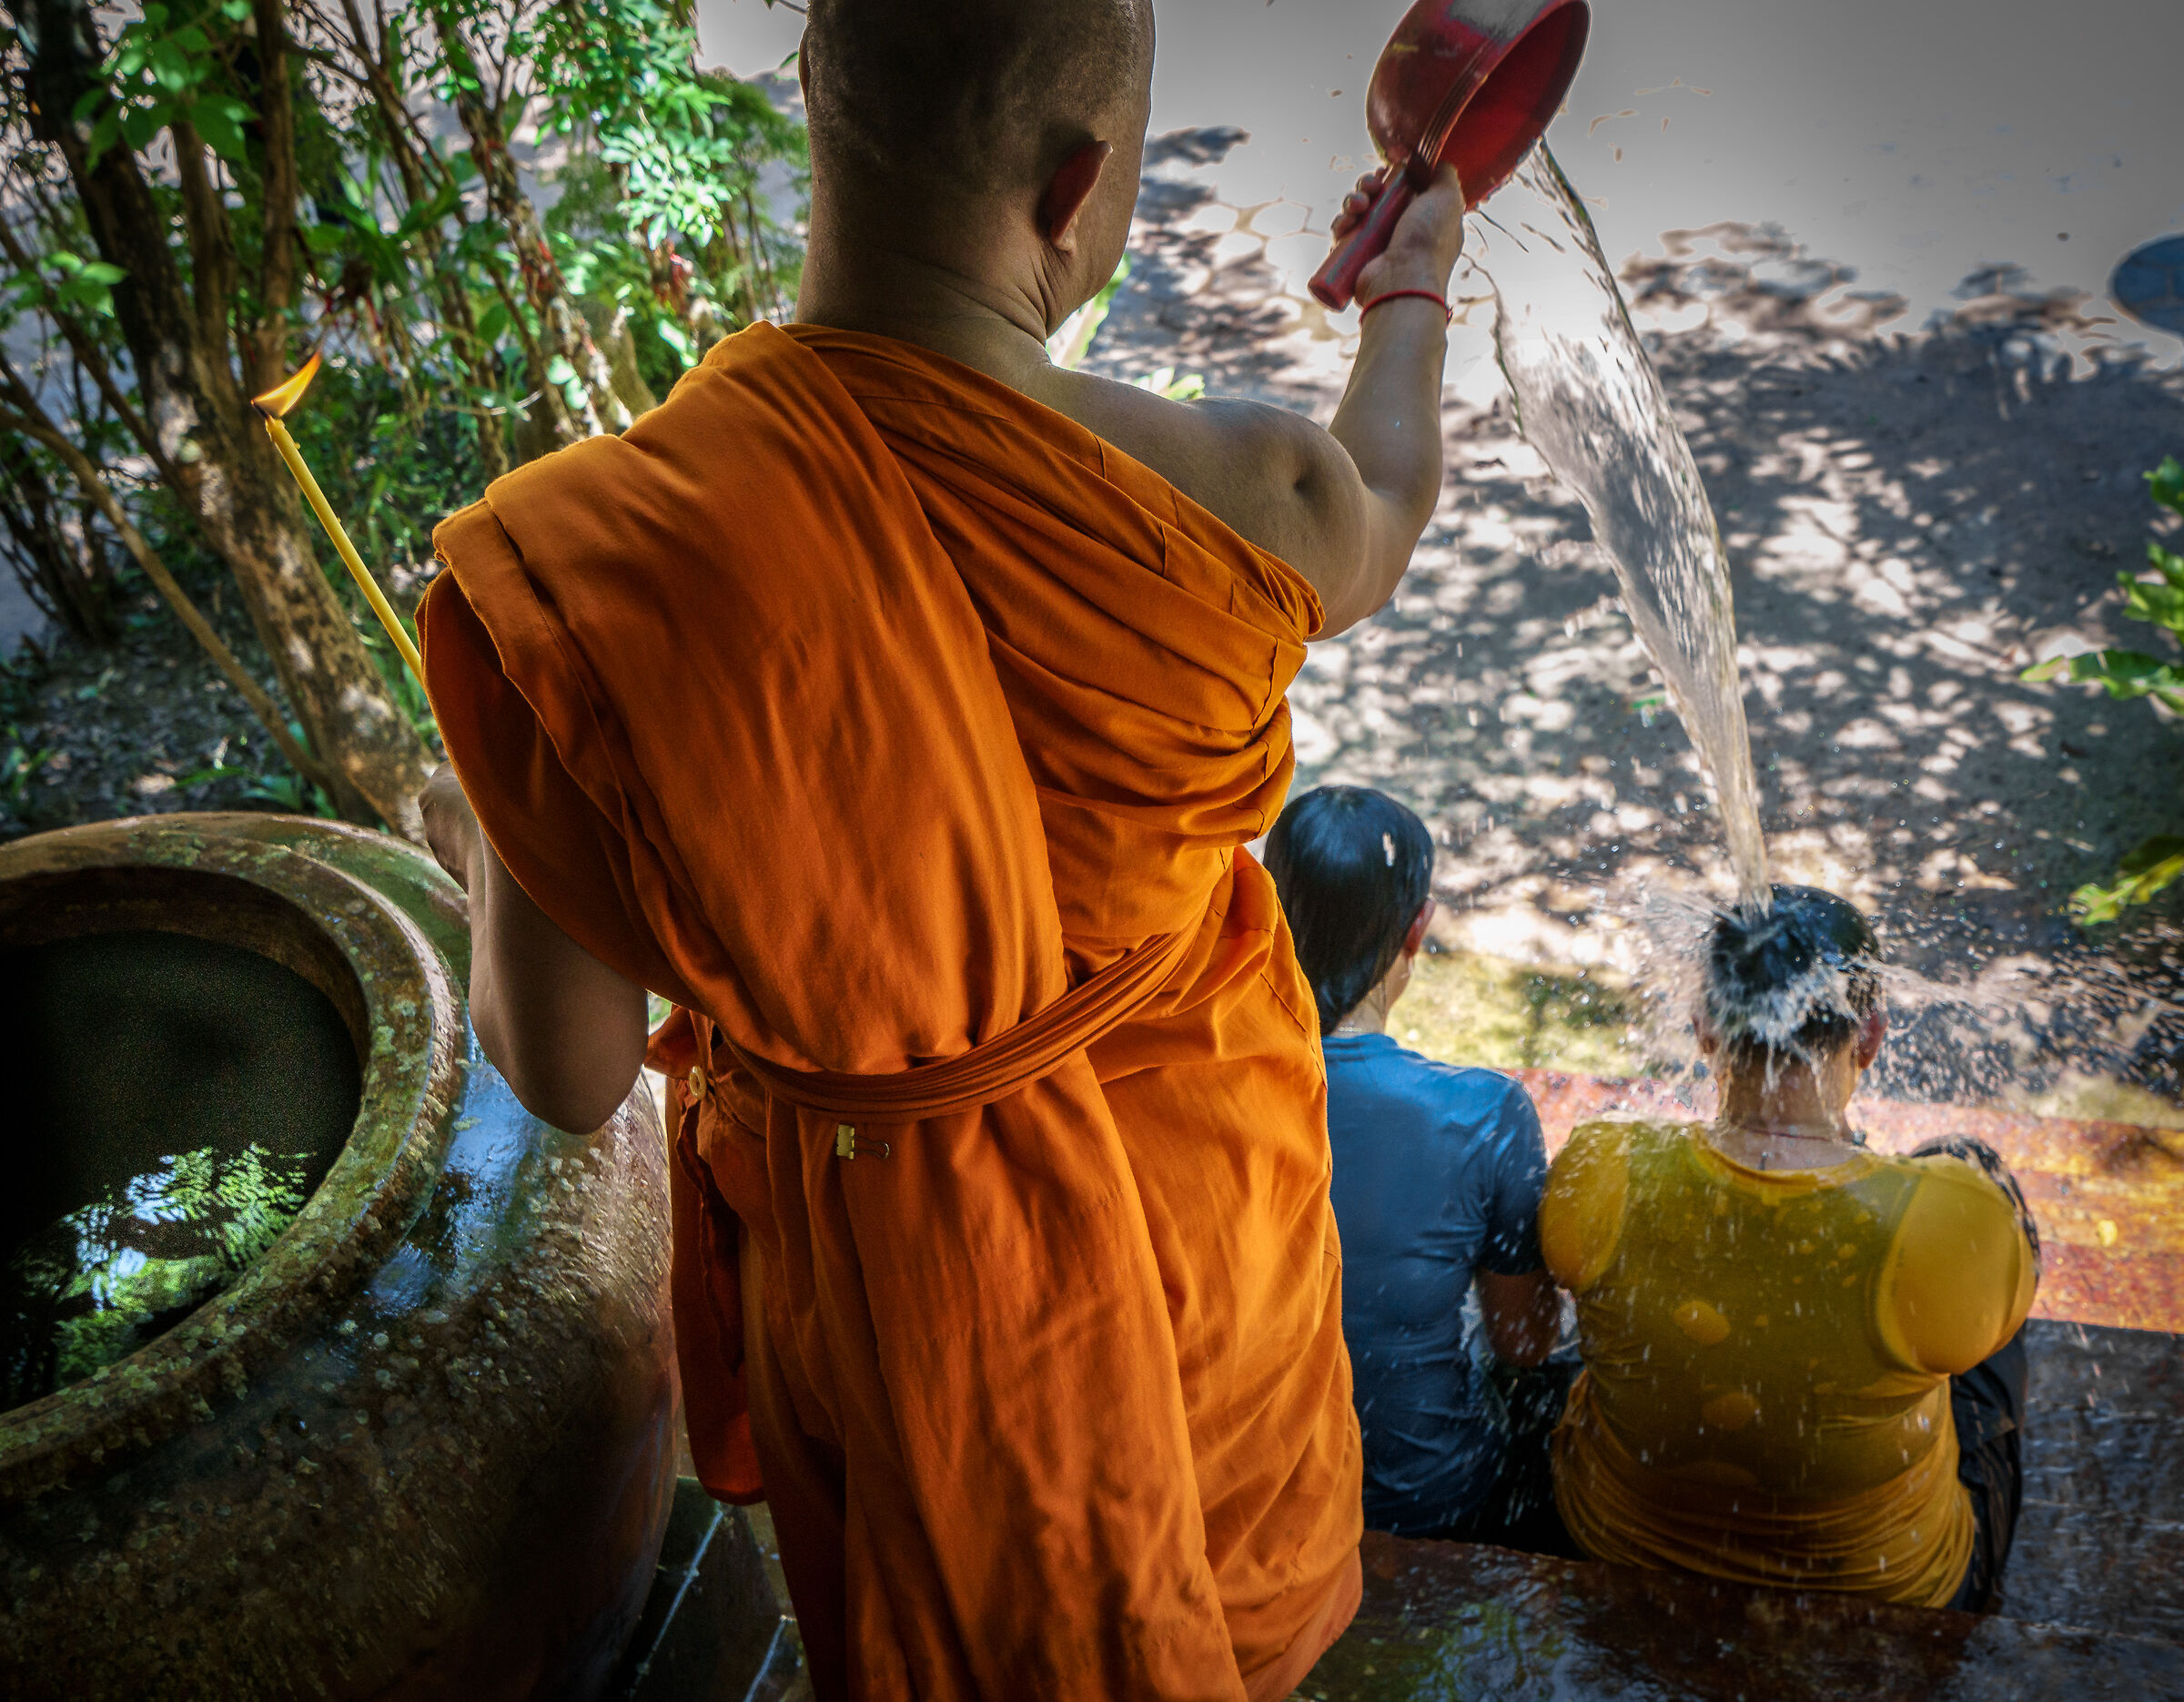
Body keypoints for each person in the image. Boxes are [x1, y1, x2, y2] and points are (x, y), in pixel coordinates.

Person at [412, 2, 1472, 1696]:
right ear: (1080, 189)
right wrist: (1411, 286)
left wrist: (491, 820)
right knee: (1226, 1606)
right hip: (1197, 1246)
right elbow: (1391, 493)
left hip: (890, 1309)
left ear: (814, 102)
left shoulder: (601, 579)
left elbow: (564, 1070)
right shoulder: (1248, 488)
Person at [1540, 886, 2039, 1612]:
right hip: (1887, 1589)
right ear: (1870, 1036)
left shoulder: (1602, 1165)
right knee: (1972, 1167)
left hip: (1611, 1541)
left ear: (1704, 1028)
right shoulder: (1955, 1220)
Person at [1265, 786, 1566, 1550]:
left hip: (1249, 1497)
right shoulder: (1482, 1114)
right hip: (1426, 1500)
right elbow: (1524, 1342)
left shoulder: (1200, 1087)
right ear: (1417, 929)